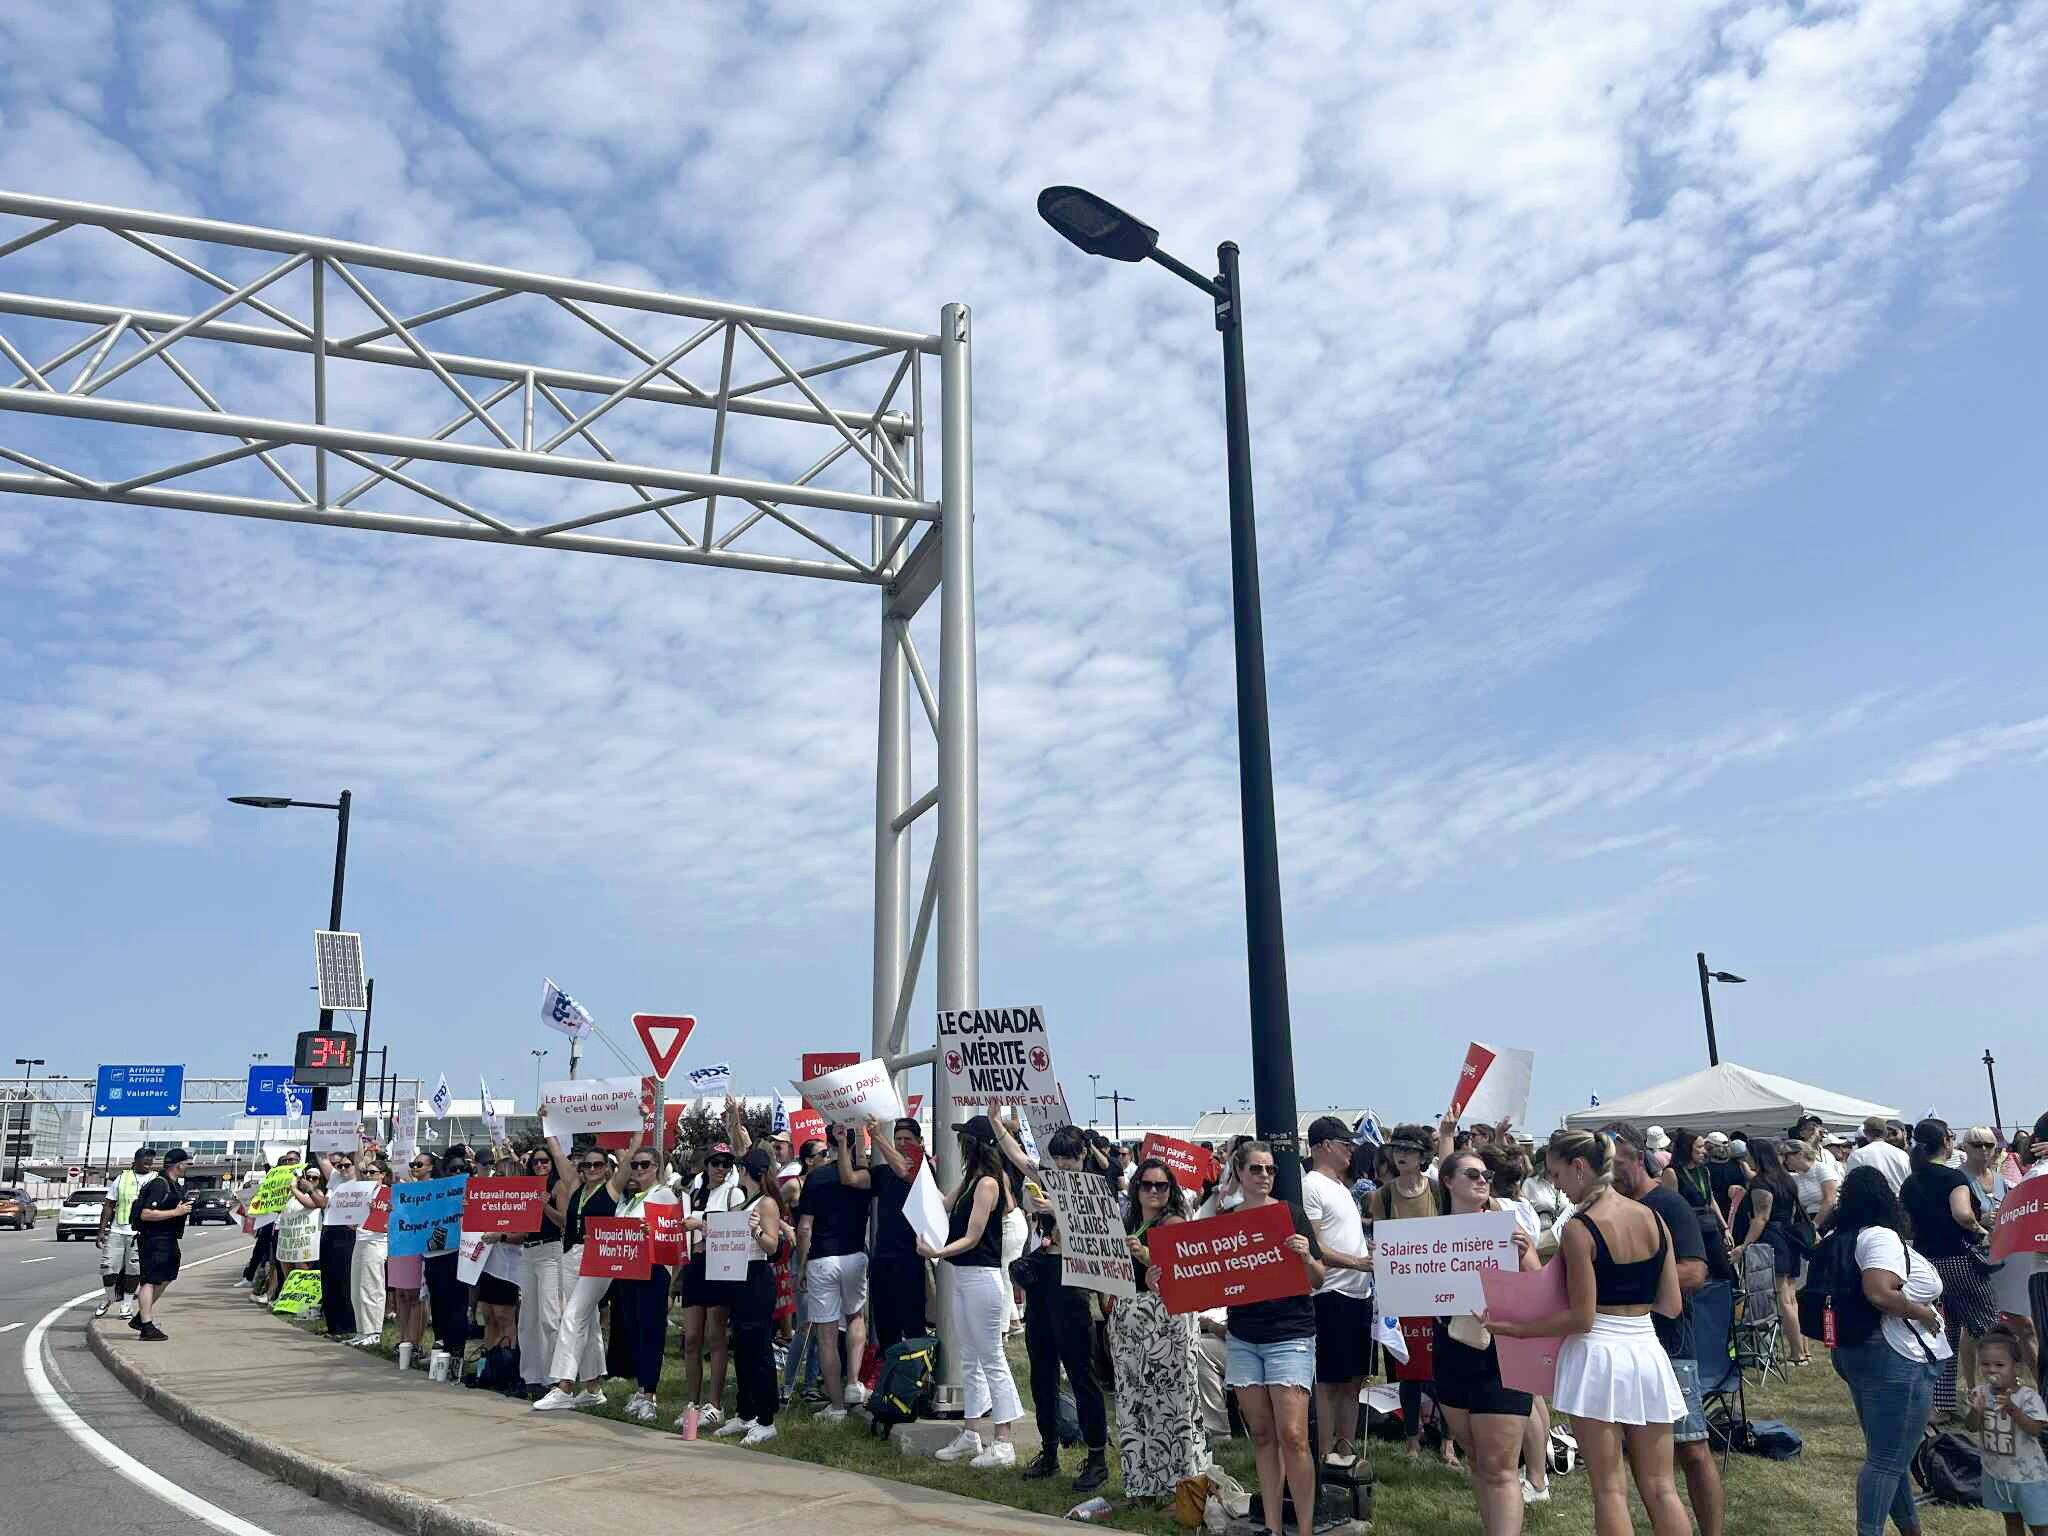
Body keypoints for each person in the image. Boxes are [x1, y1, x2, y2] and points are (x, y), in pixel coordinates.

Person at [1488, 1130, 1686, 1536]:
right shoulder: (1655, 1218)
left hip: (1599, 1354)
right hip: (1647, 1349)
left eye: (1556, 1174)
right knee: (1662, 1487)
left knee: (1610, 1490)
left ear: (1580, 1167)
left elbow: (1582, 1318)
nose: (1556, 1185)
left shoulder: (1580, 1228)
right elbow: (1671, 1304)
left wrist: (1516, 1329)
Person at [1609, 1124, 1723, 1536]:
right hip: (1623, 1344)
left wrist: (1621, 1285)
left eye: (1616, 1163)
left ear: (1638, 1160)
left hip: (1670, 1344)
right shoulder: (1611, 1207)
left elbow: (1694, 1272)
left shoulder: (1668, 1204)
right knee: (1640, 1455)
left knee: (1691, 1448)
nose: (1610, 1172)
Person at [988, 1114, 1111, 1488]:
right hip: (1044, 1277)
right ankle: (1050, 1448)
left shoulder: (1095, 1186)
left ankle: (1096, 1456)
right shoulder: (1051, 1177)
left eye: (1069, 1159)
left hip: (1073, 1282)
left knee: (1079, 1370)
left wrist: (1053, 1212)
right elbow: (1021, 1157)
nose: (1062, 1166)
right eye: (1057, 1159)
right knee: (1041, 1368)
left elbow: (1097, 1232)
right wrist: (997, 1123)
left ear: (1083, 1154)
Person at [1827, 1164, 1950, 1536]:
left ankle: (1910, 1530)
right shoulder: (1880, 1236)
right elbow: (1880, 1291)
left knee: (1889, 1454)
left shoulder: (1842, 1235)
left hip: (1857, 1350)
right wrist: (1922, 1312)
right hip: (1895, 1353)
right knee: (1885, 1460)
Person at [1214, 1141, 1324, 1536]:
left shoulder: (1291, 1214)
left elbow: (1318, 1279)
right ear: (1240, 1173)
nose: (1264, 1175)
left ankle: (1306, 1528)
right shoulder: (1225, 1219)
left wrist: (1307, 1257)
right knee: (1262, 1434)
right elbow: (1208, 1278)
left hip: (1290, 1333)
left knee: (1293, 1435)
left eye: (1270, 1169)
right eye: (1256, 1169)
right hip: (1244, 1334)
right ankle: (1274, 1528)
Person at [1429, 1149, 1539, 1536]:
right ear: (1448, 1182)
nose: (1482, 1180)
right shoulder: (1429, 1233)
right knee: (1477, 1457)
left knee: (1500, 1465)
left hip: (1503, 1350)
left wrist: (1524, 1256)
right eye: (1472, 1174)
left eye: (1486, 1174)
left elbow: (1538, 1285)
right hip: (1451, 1347)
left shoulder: (1507, 1226)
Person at [917, 1115, 1024, 1469]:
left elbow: (974, 1236)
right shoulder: (971, 1179)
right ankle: (971, 1433)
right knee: (970, 1359)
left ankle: (1004, 1441)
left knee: (992, 1357)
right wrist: (918, 1166)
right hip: (965, 1278)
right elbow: (941, 1205)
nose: (959, 1143)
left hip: (981, 1277)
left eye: (964, 1138)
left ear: (974, 1144)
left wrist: (937, 1253)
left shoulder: (988, 1184)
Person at [1111, 1155, 1209, 1500]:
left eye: (1162, 1185)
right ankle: (1143, 1481)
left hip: (1165, 1322)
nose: (1154, 1191)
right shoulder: (1129, 1222)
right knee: (1134, 1400)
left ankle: (1180, 1483)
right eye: (1148, 1184)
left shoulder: (1173, 1223)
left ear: (1171, 1191)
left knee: (1170, 1403)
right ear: (1137, 1188)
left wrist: (1143, 1255)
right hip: (1129, 1320)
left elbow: (1181, 1268)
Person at [1364, 1123, 1451, 1465]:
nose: (1401, 1155)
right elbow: (1382, 1240)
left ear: (1423, 1156)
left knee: (1443, 1368)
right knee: (1406, 1370)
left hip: (1438, 1290)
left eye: (1409, 1150)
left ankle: (1447, 1442)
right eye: (1397, 1149)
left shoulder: (1436, 1191)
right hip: (1402, 1291)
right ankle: (1412, 1439)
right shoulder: (1382, 1195)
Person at [1900, 1117, 1995, 1417]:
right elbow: (1963, 1214)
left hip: (1928, 1263)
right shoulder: (1953, 1178)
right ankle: (1997, 1391)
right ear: (1947, 1142)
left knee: (1948, 1331)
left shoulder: (1910, 1181)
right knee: (1990, 1322)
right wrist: (1983, 1232)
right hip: (1958, 1257)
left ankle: (1941, 1403)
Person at [533, 1118, 627, 1411]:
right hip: (570, 1254)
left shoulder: (610, 1190)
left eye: (598, 1165)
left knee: (572, 1316)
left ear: (607, 1168)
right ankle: (594, 1387)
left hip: (598, 1256)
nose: (591, 1170)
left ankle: (563, 1385)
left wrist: (636, 1129)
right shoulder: (575, 1186)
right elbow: (558, 1153)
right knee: (587, 1323)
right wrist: (547, 1122)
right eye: (586, 1165)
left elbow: (629, 1158)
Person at [1302, 1116, 1375, 1471]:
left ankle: (1345, 1450)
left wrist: (1367, 1252)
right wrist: (1357, 1263)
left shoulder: (1341, 1187)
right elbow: (1313, 1246)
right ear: (1323, 1146)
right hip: (1331, 1294)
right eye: (1344, 1143)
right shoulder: (1311, 1185)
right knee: (1330, 1382)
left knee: (1354, 1379)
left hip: (1359, 1294)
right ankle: (1324, 1452)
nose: (1351, 1150)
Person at [795, 1122, 874, 1421]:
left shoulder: (815, 1178)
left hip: (822, 1259)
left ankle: (837, 1405)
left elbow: (804, 1227)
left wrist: (801, 1266)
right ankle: (853, 1383)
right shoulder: (864, 1177)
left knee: (827, 1336)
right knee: (856, 1317)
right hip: (855, 1255)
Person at [713, 1147, 787, 1446]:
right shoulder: (747, 1201)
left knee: (759, 1350)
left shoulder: (767, 1203)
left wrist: (756, 1232)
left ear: (746, 1171)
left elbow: (771, 1246)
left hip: (757, 1276)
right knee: (742, 1348)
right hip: (740, 1276)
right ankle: (745, 1412)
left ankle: (767, 1418)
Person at [839, 1115, 929, 1351]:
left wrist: (876, 1135)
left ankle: (916, 1379)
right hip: (883, 1256)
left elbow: (903, 1170)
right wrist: (841, 1144)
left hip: (911, 1256)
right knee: (885, 1322)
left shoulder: (923, 1166)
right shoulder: (882, 1171)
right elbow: (849, 1178)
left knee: (912, 1322)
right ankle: (889, 1374)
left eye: (907, 1139)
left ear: (919, 1141)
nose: (901, 1143)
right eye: (897, 1138)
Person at [613, 1136, 680, 1423]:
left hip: (653, 1272)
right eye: (635, 1164)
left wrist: (649, 1232)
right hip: (627, 1271)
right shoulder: (628, 1200)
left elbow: (673, 1238)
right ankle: (641, 1388)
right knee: (634, 1332)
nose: (639, 1169)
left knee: (651, 1334)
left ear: (657, 1167)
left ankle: (650, 1394)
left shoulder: (663, 1195)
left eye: (645, 1165)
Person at [679, 1139, 743, 1427]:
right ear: (706, 1165)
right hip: (694, 1266)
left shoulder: (734, 1194)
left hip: (719, 1266)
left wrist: (703, 1226)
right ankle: (691, 1401)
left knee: (716, 1337)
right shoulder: (693, 1191)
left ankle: (714, 1403)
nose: (721, 1168)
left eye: (727, 1164)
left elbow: (736, 1233)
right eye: (716, 1163)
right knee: (692, 1338)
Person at [1731, 1139, 1808, 1366]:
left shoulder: (1762, 1183)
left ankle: (1797, 1353)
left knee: (1783, 1297)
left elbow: (1761, 1218)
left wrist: (1743, 1246)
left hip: (1774, 1239)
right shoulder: (1785, 1178)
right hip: (1790, 1237)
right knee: (1791, 1297)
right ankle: (1802, 1350)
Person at [1966, 1326, 2048, 1536]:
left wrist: (2013, 1409)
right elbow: (1972, 1427)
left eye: (1999, 1365)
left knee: (2040, 1526)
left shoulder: (2028, 1397)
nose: (1991, 1370)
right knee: (2011, 1522)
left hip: (2028, 1476)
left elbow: (2035, 1429)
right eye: (1985, 1364)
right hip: (1996, 1473)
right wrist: (1977, 1411)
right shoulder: (1980, 1393)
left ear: (2017, 1368)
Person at [516, 1145, 566, 1398]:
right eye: (535, 1162)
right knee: (527, 1317)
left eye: (545, 1161)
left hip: (550, 1250)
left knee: (549, 1315)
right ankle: (531, 1376)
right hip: (527, 1251)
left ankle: (554, 1376)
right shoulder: (524, 1186)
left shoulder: (558, 1186)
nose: (540, 1165)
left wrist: (544, 1205)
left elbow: (564, 1221)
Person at [129, 1147, 194, 1341]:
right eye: (186, 1164)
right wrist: (176, 1213)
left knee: (167, 1276)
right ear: (178, 1165)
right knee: (150, 1280)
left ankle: (141, 1317)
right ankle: (147, 1325)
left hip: (168, 1238)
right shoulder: (160, 1184)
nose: (187, 1167)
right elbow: (146, 1214)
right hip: (153, 1239)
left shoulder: (174, 1185)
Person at [95, 1148, 157, 1320]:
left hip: (140, 1233)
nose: (149, 1163)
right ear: (136, 1160)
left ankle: (126, 1305)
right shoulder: (122, 1178)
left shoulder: (155, 1180)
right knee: (107, 1268)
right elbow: (108, 1205)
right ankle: (109, 1297)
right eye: (145, 1159)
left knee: (133, 1270)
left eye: (151, 1160)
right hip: (117, 1230)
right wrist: (102, 1231)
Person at [389, 1150, 435, 1372]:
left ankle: (415, 1342)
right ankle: (404, 1339)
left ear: (430, 1167)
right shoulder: (403, 1188)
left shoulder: (435, 1188)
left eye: (419, 1164)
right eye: (413, 1164)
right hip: (402, 1243)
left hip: (421, 1244)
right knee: (402, 1294)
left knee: (417, 1295)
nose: (415, 1167)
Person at [313, 1149, 361, 1339]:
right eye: (339, 1165)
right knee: (329, 1279)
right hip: (329, 1231)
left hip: (348, 1232)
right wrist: (317, 1133)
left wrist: (358, 1137)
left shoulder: (359, 1180)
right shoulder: (335, 1178)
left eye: (346, 1165)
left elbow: (360, 1157)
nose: (342, 1168)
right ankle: (333, 1325)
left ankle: (347, 1326)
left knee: (345, 1280)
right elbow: (322, 1158)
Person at [348, 1157, 392, 1347]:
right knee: (356, 1288)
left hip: (377, 1242)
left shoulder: (389, 1193)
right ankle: (361, 1330)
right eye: (367, 1172)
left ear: (383, 1175)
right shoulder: (362, 1192)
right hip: (360, 1239)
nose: (368, 1175)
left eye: (373, 1172)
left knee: (371, 1287)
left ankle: (374, 1331)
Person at [1846, 1115, 1912, 1195]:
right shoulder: (1902, 1155)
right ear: (1885, 1132)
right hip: (1900, 1203)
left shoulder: (1857, 1155)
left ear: (1865, 1132)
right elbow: (1909, 1182)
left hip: (1872, 1204)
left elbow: (1851, 1186)